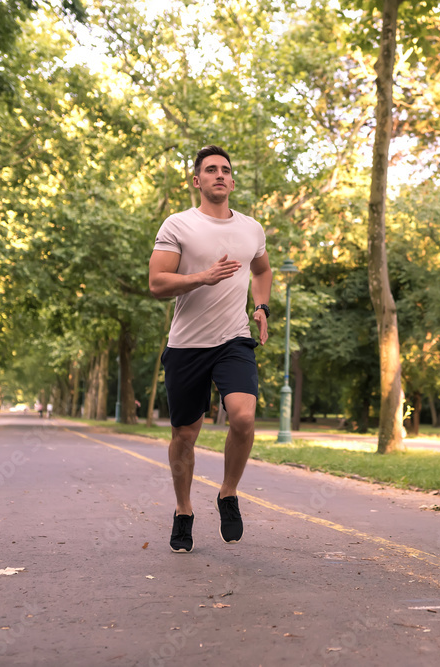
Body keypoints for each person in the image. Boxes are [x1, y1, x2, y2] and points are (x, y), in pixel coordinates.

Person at [148, 145, 273, 553]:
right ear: (197, 181)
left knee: (243, 418)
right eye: (210, 170)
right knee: (185, 435)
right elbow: (157, 283)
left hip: (234, 339)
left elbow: (262, 269)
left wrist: (261, 306)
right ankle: (184, 510)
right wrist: (203, 277)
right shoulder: (178, 225)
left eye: (225, 170)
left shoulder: (252, 229)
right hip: (186, 345)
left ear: (232, 181)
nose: (219, 175)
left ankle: (228, 493)